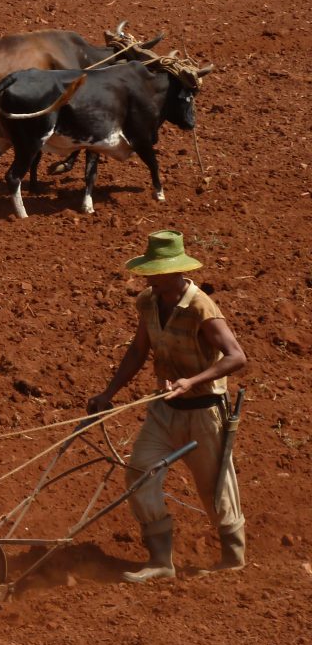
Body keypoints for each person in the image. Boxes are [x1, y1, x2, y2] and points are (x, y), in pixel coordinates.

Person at [87, 230, 247, 582]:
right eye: (149, 271)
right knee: (140, 473)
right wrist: (108, 393)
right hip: (164, 409)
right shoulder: (148, 302)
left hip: (205, 411)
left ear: (175, 271)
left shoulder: (201, 306)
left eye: (156, 271)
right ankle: (161, 561)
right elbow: (137, 352)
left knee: (215, 487)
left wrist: (192, 381)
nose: (149, 277)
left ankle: (233, 558)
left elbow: (236, 357)